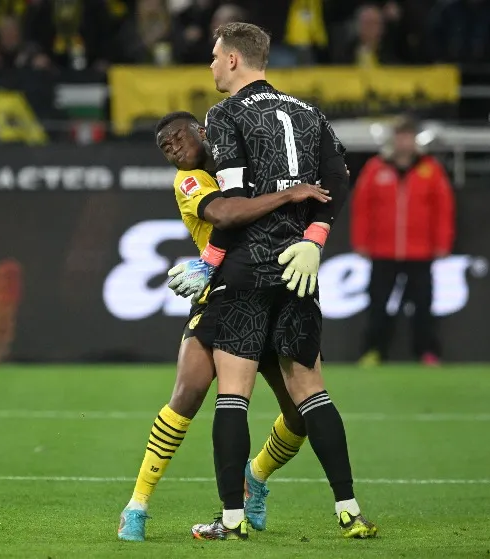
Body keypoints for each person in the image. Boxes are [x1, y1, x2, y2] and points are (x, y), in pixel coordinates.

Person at [171, 22, 377, 541]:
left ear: (236, 60)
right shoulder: (310, 113)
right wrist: (315, 236)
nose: (212, 65)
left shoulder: (225, 114)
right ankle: (350, 511)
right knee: (313, 394)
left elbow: (234, 209)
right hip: (299, 267)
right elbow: (337, 180)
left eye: (215, 57)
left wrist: (210, 262)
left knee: (233, 396)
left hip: (247, 269)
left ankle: (232, 520)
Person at [117, 111, 333, 542]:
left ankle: (256, 476)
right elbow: (227, 215)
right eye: (165, 148)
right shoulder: (190, 181)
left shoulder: (243, 163)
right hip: (220, 295)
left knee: (300, 413)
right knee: (187, 395)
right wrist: (287, 194)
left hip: (271, 291)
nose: (173, 149)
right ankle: (137, 505)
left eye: (177, 138)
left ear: (201, 131)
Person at [351, 115, 455, 366]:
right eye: (400, 136)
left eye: (408, 136)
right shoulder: (375, 168)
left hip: (420, 252)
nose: (404, 141)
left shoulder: (430, 169)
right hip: (383, 251)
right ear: (393, 139)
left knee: (423, 306)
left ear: (415, 139)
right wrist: (361, 242)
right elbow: (362, 208)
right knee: (378, 305)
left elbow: (444, 208)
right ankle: (373, 351)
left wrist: (442, 243)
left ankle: (427, 352)